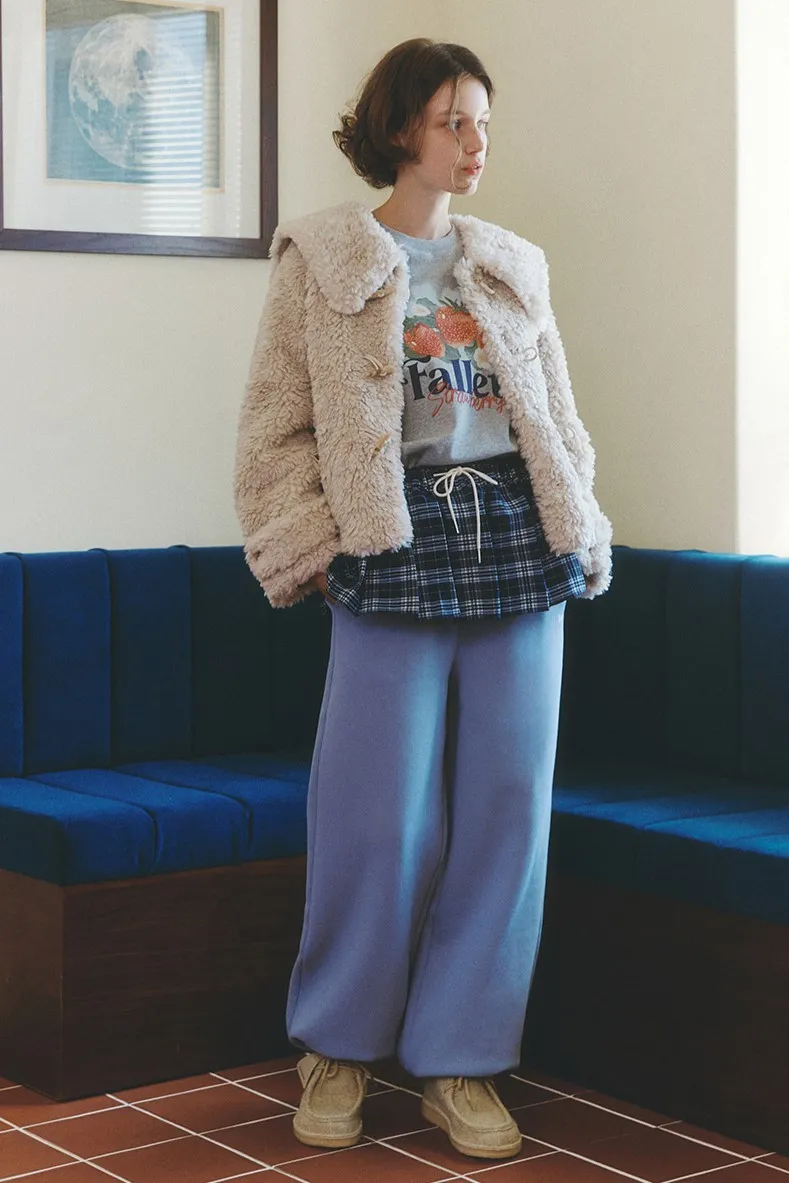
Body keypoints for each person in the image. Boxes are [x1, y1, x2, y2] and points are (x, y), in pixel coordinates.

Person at [233, 37, 613, 1163]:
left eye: (483, 122)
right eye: (454, 121)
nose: (475, 142)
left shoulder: (512, 262)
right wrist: (316, 545)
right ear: (401, 128)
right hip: (391, 540)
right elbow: (274, 425)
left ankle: (463, 1060)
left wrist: (581, 518)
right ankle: (336, 1046)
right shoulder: (322, 257)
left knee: (508, 810)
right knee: (374, 813)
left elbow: (558, 412)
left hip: (516, 538)